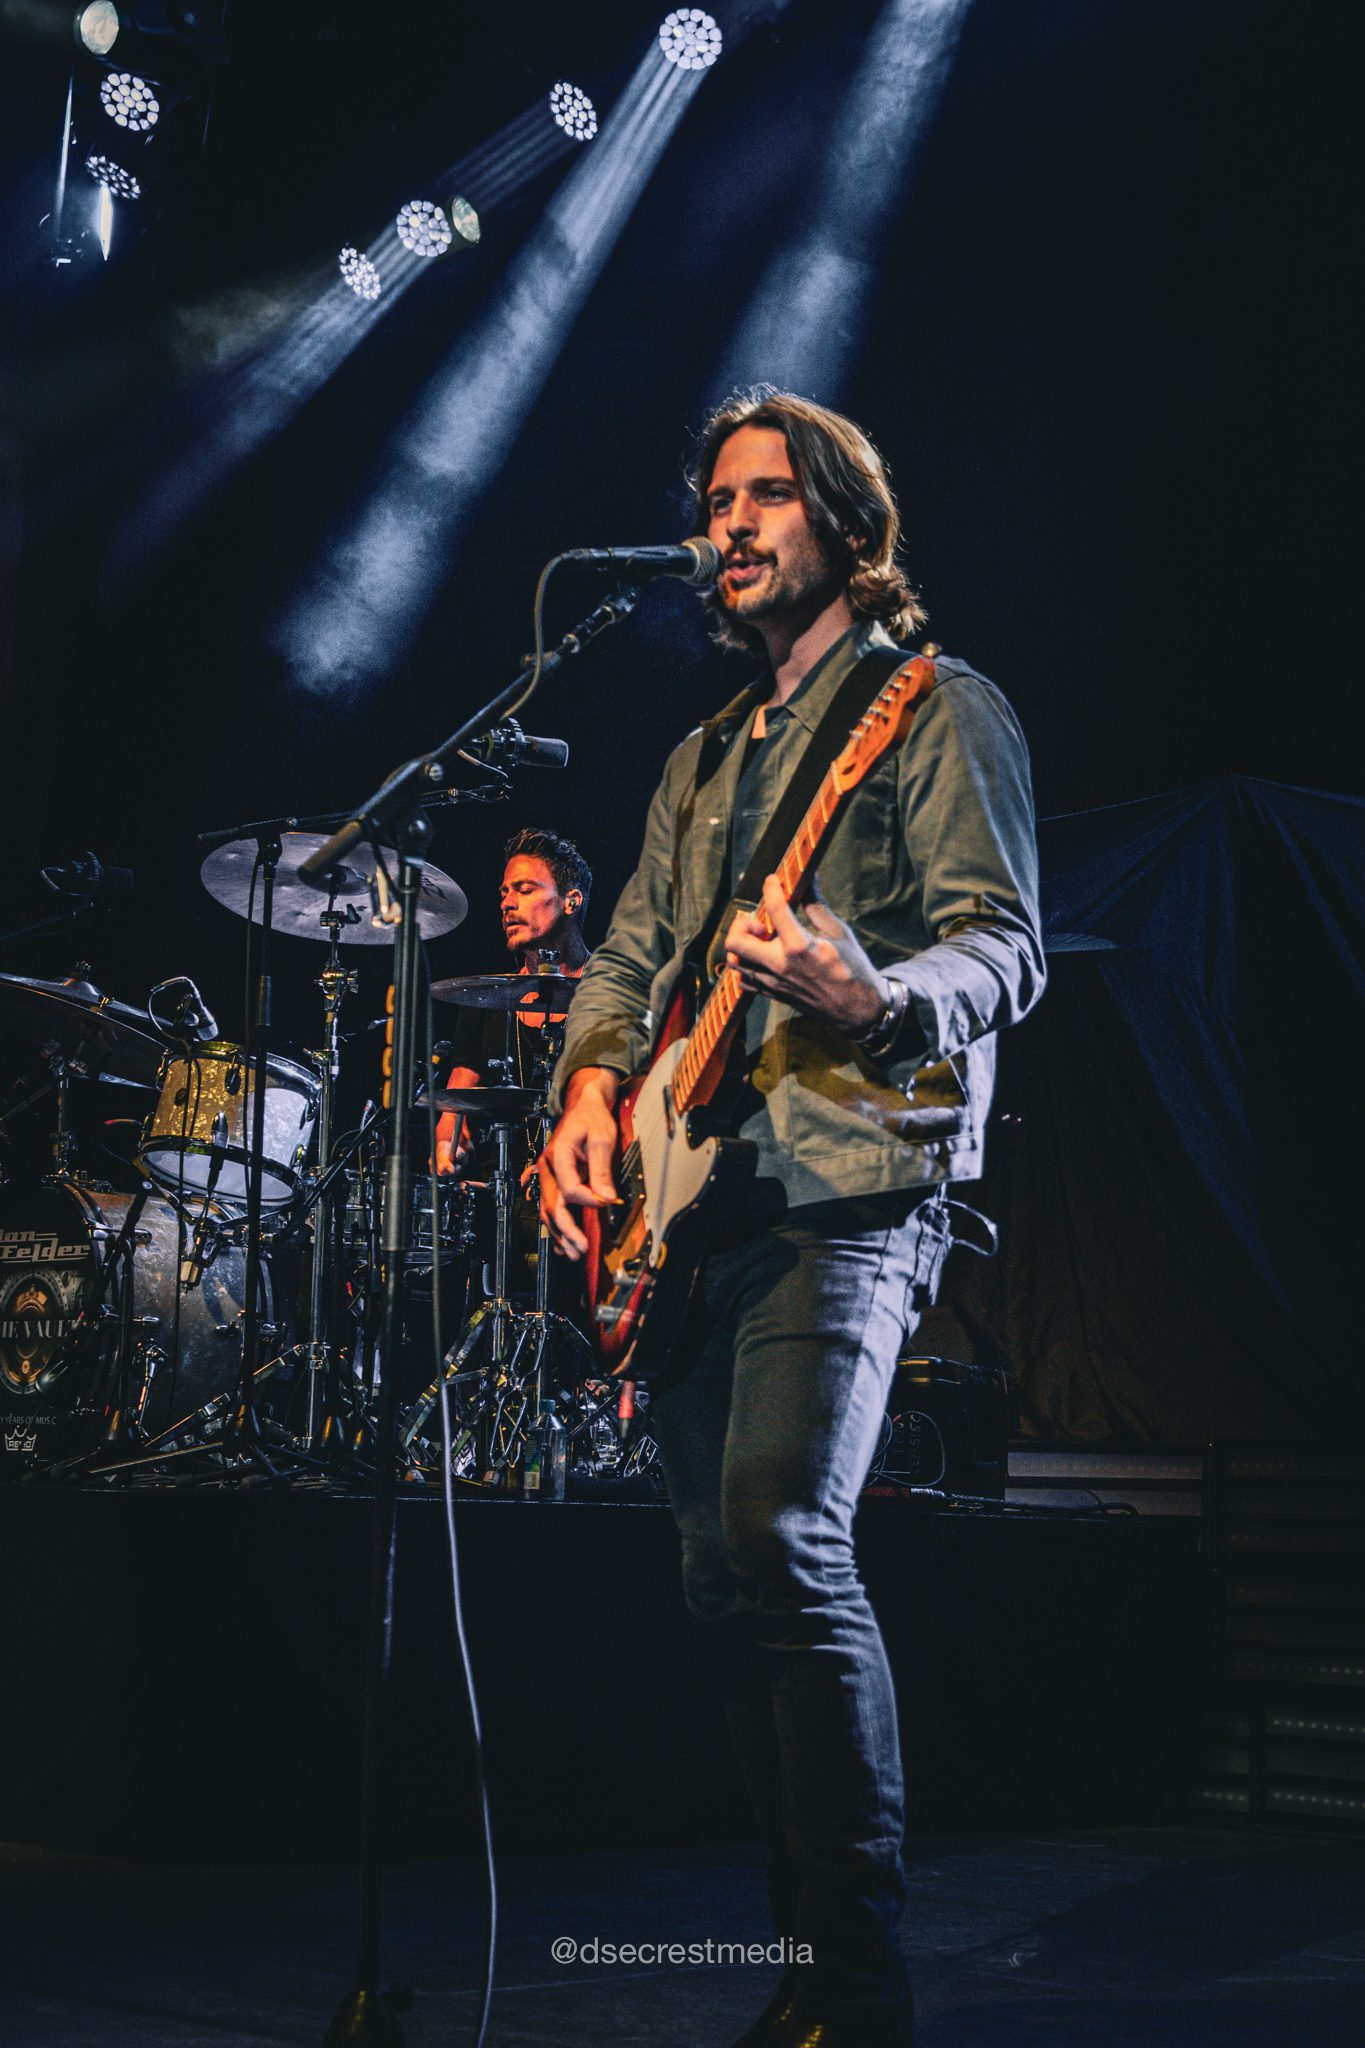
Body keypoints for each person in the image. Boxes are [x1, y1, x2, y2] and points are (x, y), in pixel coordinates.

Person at [536, 389, 1046, 2047]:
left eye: (768, 494)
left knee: (782, 1538)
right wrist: (591, 1089)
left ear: (844, 521)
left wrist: (875, 992)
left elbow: (1005, 944)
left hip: (854, 1178)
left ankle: (859, 1984)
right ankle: (801, 1967)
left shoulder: (935, 708)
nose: (734, 522)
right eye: (718, 500)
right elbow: (627, 958)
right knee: (715, 1579)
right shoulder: (700, 760)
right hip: (698, 1201)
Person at [433, 826, 592, 1184]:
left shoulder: (612, 995)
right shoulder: (486, 999)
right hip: (502, 1193)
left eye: (525, 890)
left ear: (570, 901)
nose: (506, 904)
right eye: (504, 893)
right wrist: (447, 1144)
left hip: (586, 1187)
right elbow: (455, 1108)